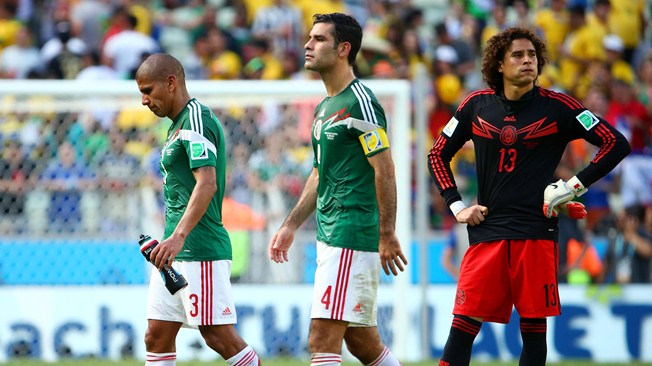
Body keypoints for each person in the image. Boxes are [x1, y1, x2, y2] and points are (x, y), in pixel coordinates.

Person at [426, 27, 631, 366]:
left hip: (536, 234)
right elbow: (437, 155)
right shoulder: (475, 106)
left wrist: (572, 187)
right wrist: (457, 205)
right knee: (462, 328)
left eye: (532, 55)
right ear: (500, 65)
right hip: (487, 234)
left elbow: (616, 143)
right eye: (518, 56)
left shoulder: (559, 107)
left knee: (534, 334)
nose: (527, 61)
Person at [267, 13, 408, 366]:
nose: (307, 45)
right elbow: (319, 173)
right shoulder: (325, 107)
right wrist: (290, 224)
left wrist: (387, 232)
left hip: (350, 231)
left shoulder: (360, 102)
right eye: (309, 38)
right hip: (332, 233)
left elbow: (384, 167)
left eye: (318, 39)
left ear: (344, 49)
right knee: (362, 342)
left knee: (321, 338)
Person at [134, 53, 260, 366]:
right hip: (174, 250)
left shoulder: (196, 119)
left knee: (218, 336)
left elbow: (207, 183)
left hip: (198, 248)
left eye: (148, 91)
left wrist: (177, 236)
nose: (144, 101)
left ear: (171, 83)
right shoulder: (176, 125)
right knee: (157, 335)